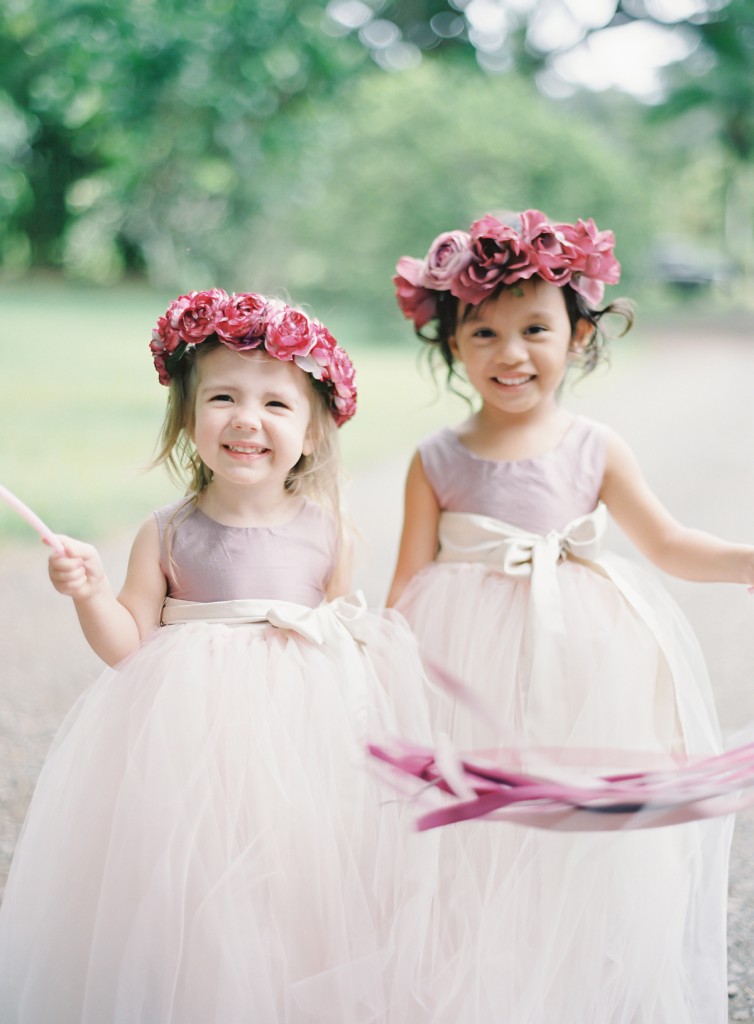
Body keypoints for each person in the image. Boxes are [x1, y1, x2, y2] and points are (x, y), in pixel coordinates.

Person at [0, 289, 438, 1024]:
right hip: (188, 741)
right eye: (223, 397)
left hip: (301, 740)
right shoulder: (167, 532)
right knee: (195, 885)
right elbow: (126, 647)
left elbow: (339, 635)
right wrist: (89, 593)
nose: (246, 420)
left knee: (292, 879)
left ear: (312, 430)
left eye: (276, 404)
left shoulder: (327, 530)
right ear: (187, 416)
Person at [386, 210, 754, 1022]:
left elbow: (667, 542)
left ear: (579, 337)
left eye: (535, 330)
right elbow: (406, 588)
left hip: (586, 659)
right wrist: (383, 680)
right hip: (468, 667)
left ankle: (582, 985)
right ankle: (485, 987)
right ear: (451, 343)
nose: (510, 354)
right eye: (482, 332)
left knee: (582, 829)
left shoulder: (594, 445)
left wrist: (743, 563)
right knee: (482, 836)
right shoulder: (436, 459)